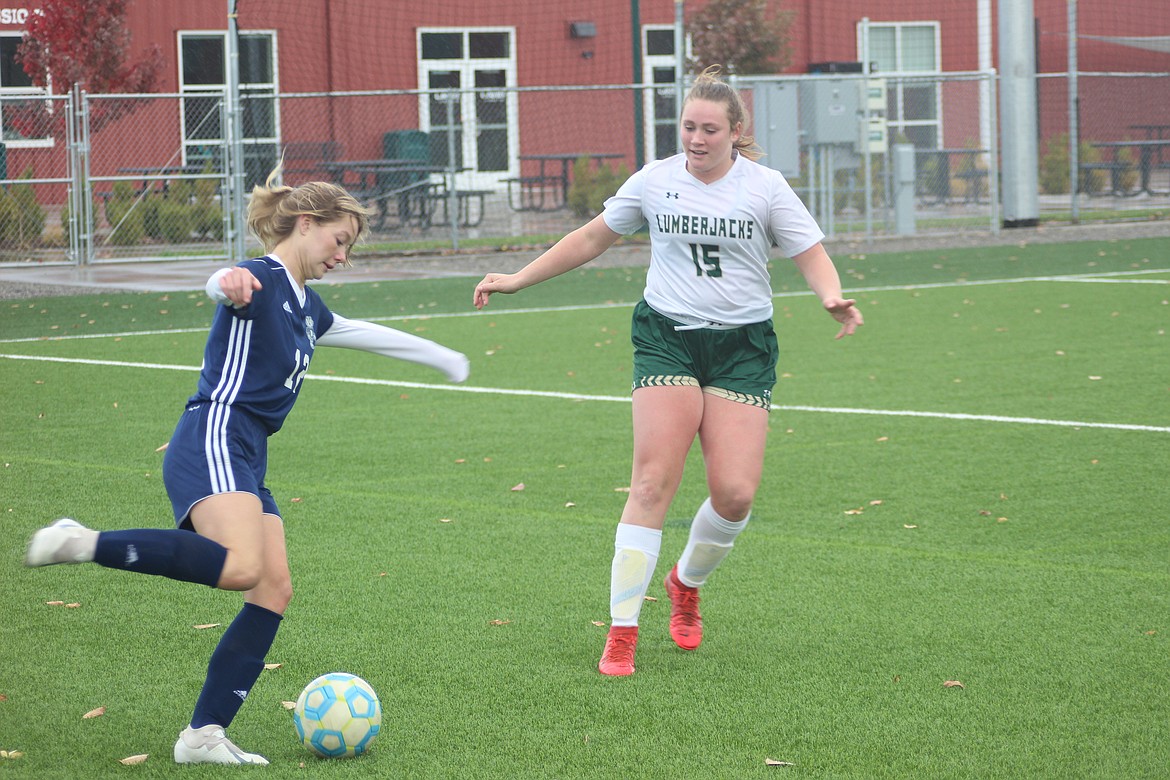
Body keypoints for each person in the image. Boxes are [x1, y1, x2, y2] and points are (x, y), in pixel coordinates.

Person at [24, 167, 470, 763]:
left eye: (350, 248)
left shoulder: (307, 305)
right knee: (239, 568)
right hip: (214, 433)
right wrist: (224, 281)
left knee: (273, 588)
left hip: (247, 452)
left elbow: (365, 333)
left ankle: (202, 736)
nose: (344, 256)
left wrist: (441, 356)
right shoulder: (258, 278)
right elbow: (223, 283)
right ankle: (82, 542)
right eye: (340, 241)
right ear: (306, 224)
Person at [473, 66, 862, 677]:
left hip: (742, 348)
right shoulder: (654, 182)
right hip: (666, 340)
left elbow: (809, 253)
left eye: (710, 129)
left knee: (734, 495)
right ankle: (622, 633)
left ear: (736, 131)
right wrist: (520, 277)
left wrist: (831, 296)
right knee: (652, 484)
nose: (696, 139)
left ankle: (686, 583)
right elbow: (591, 237)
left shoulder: (765, 188)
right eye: (688, 127)